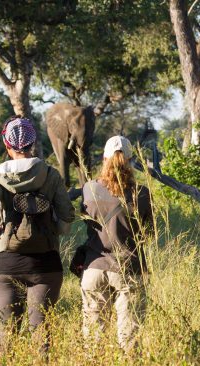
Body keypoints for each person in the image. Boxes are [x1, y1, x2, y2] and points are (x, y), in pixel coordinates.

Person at [0, 116, 75, 355]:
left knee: (6, 335)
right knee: (42, 336)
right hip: (45, 265)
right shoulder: (50, 174)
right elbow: (66, 218)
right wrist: (53, 229)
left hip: (6, 264)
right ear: (33, 144)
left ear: (7, 145)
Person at [75, 135, 152, 353]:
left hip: (94, 267)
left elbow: (85, 220)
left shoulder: (89, 189)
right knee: (129, 338)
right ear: (129, 160)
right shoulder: (142, 193)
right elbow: (148, 234)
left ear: (104, 159)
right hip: (129, 267)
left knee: (93, 338)